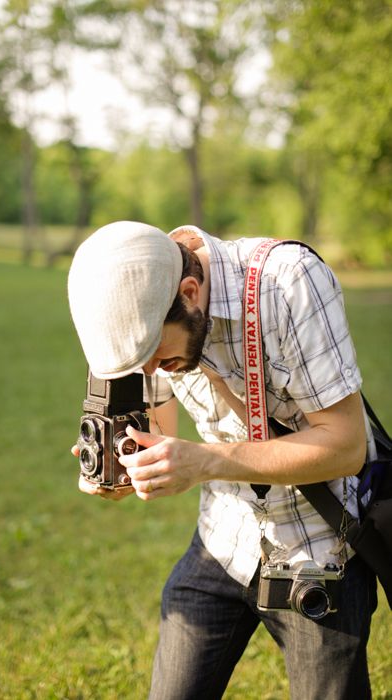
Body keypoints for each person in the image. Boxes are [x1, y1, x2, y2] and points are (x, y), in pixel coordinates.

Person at [67, 220, 377, 700]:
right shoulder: (143, 290)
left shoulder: (289, 282)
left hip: (320, 550)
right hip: (224, 538)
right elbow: (162, 435)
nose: (148, 370)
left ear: (190, 292)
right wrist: (126, 469)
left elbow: (345, 445)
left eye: (156, 356)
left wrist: (204, 462)